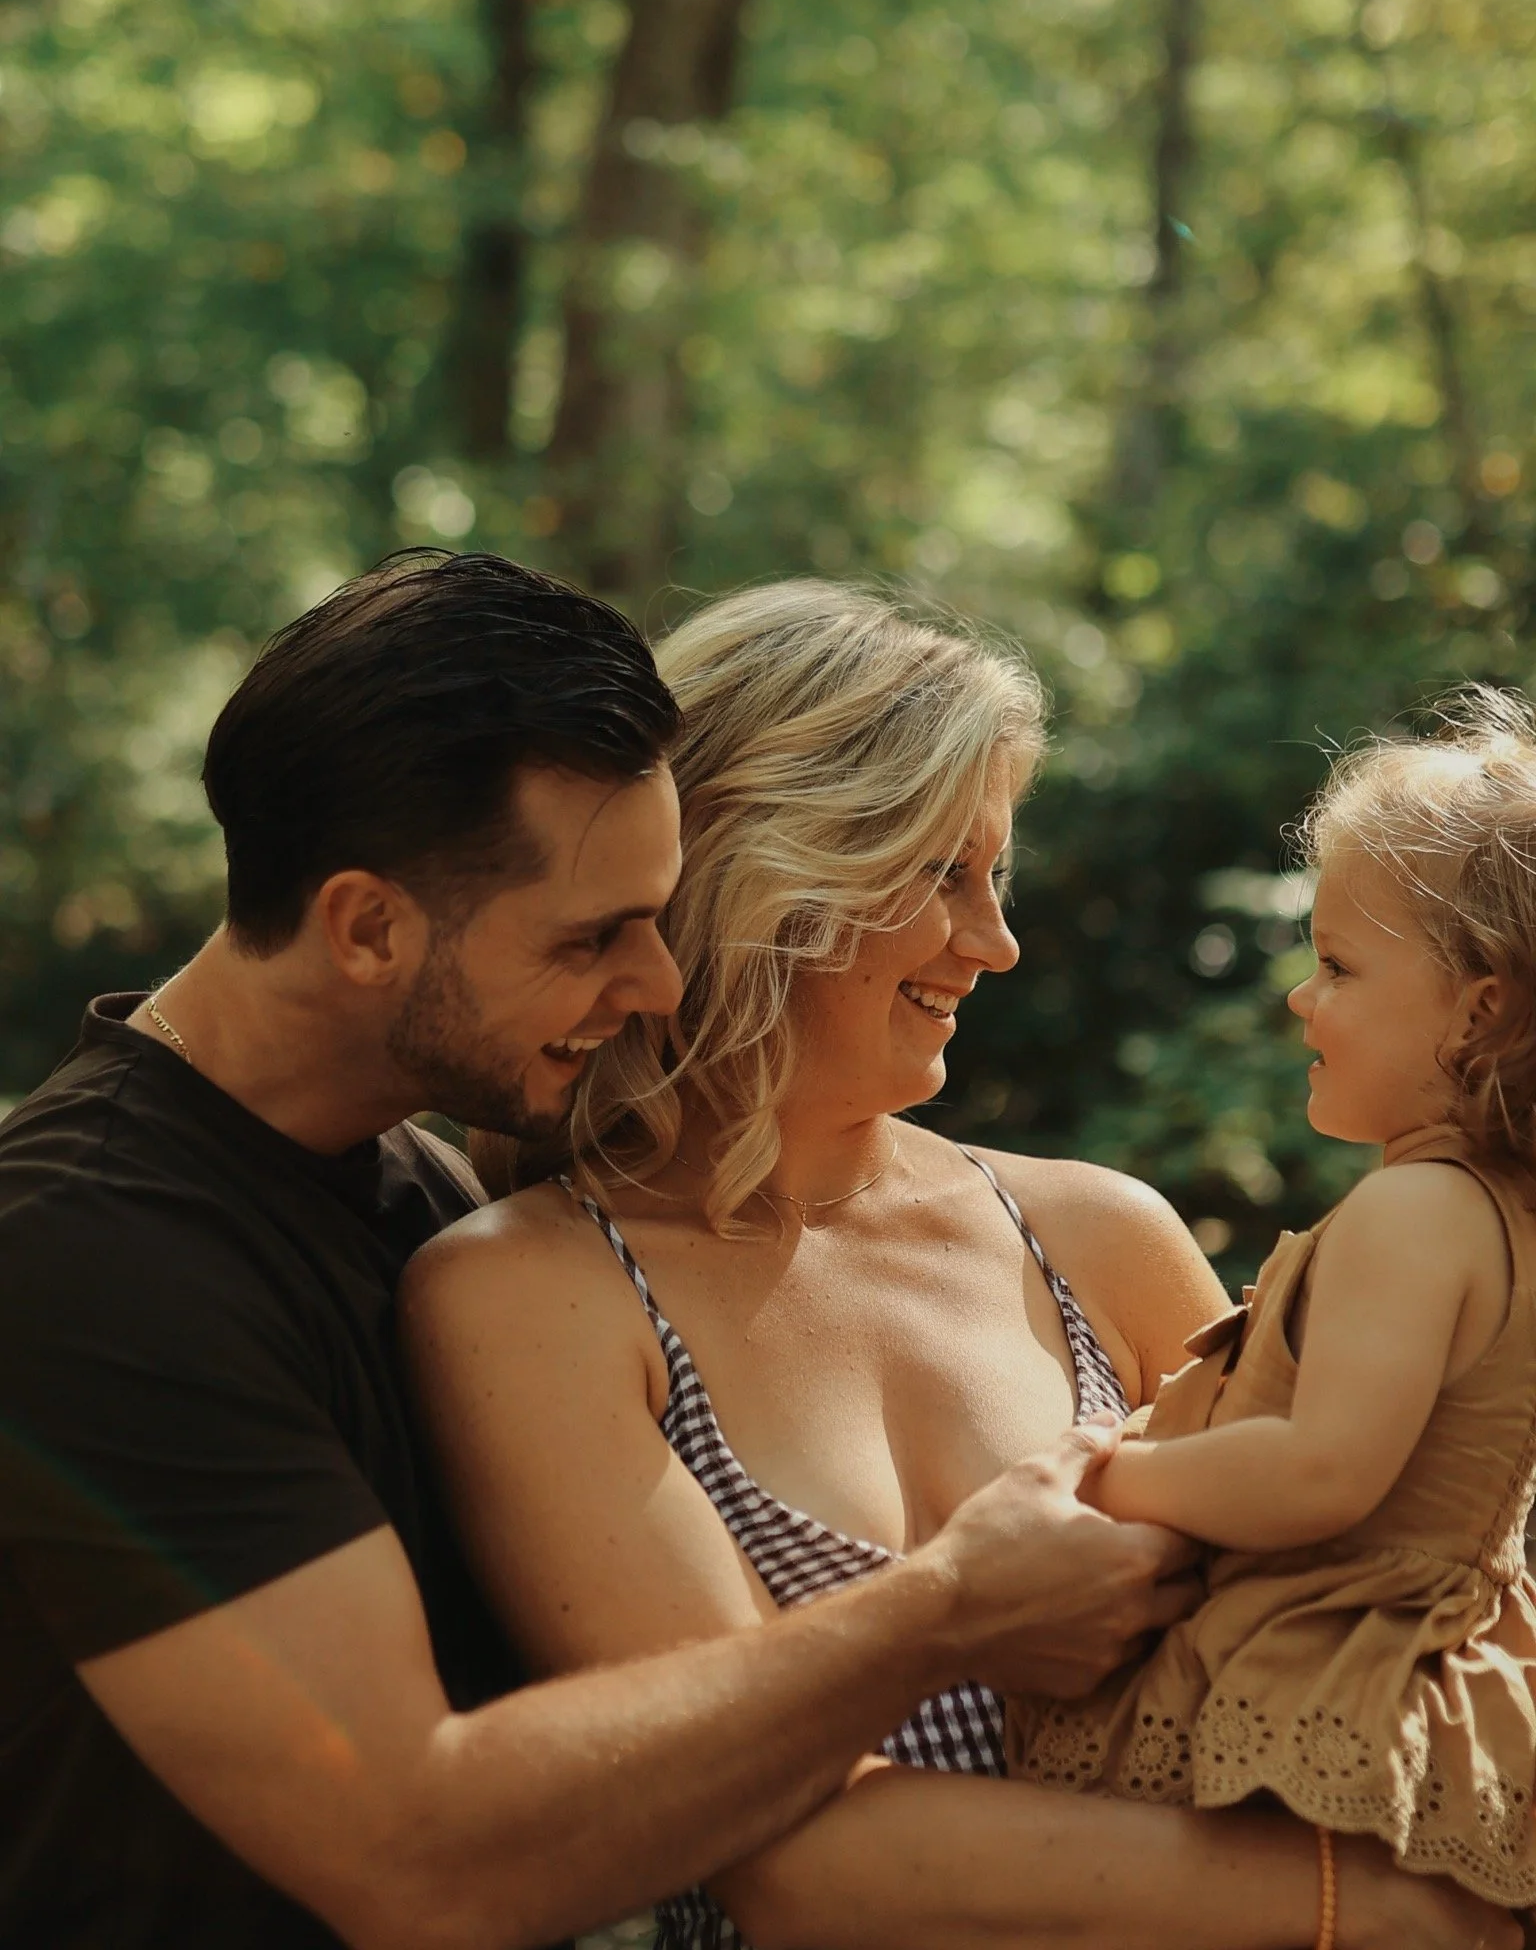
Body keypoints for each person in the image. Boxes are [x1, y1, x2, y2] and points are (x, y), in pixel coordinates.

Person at [0, 551, 1219, 1950]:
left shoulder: (409, 1186)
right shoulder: (88, 1254)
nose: (656, 982)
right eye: (600, 936)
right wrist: (940, 1616)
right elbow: (416, 1855)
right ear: (367, 926)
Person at [402, 579, 1512, 1950]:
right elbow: (801, 1873)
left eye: (998, 876)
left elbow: (1382, 1620)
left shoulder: (1102, 1239)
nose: (997, 942)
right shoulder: (527, 1297)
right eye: (944, 876)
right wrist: (1383, 1907)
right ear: (769, 871)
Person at [1012, 689, 1536, 1912]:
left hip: (1326, 1674)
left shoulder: (1420, 1214)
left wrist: (1100, 1476)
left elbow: (1318, 1473)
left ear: (1482, 1008)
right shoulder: (1498, 1213)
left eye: (1340, 967)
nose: (1302, 999)